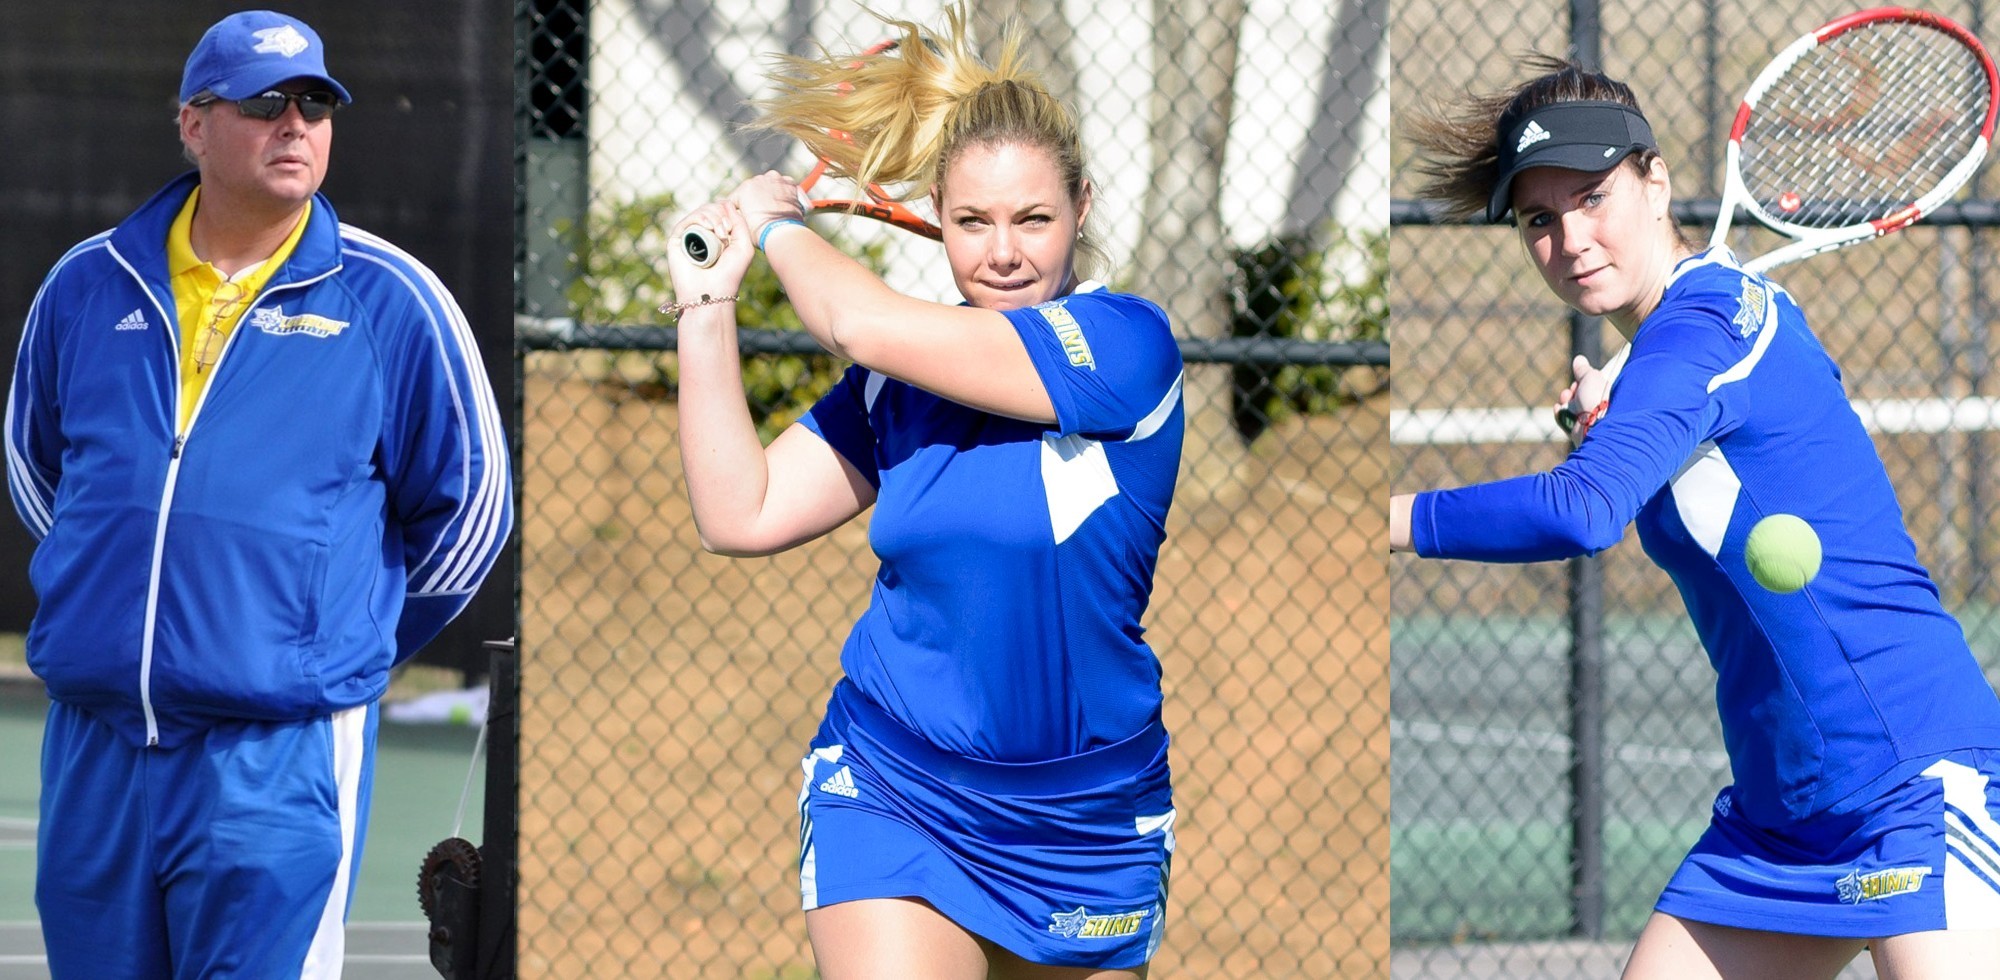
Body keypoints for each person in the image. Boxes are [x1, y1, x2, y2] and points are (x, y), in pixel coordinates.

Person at [1390, 57, 2000, 979]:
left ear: (1656, 179)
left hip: (1909, 777)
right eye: (1540, 221)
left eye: (1593, 198)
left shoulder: (1709, 323)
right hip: (1782, 814)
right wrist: (1621, 411)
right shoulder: (1675, 348)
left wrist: (1390, 517)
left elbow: (1585, 509)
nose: (1572, 239)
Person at [663, 7, 1184, 978]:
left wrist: (776, 220)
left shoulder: (1125, 347)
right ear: (935, 218)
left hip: (1085, 815)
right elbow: (741, 512)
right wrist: (706, 302)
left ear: (1082, 204)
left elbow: (856, 319)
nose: (1001, 254)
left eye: (1032, 218)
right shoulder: (893, 382)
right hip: (894, 782)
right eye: (970, 220)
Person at [6, 11, 511, 977]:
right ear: (193, 124)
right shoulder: (85, 284)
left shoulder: (394, 298)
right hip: (97, 745)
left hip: (278, 757)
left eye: (316, 103)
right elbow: (42, 478)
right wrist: (122, 604)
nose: (296, 124)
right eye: (264, 102)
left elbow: (474, 511)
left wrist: (329, 642)